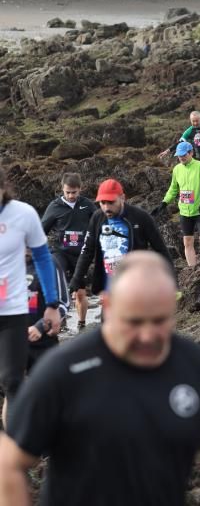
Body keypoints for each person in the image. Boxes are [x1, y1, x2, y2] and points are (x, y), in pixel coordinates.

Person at [0, 251, 200, 506]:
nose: (147, 335)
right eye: (134, 322)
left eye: (159, 320)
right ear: (107, 304)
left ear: (173, 305)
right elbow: (10, 464)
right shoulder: (63, 371)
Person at [0, 167, 61, 428]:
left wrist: (52, 304)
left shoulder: (24, 214)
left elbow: (43, 258)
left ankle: (15, 452)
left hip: (13, 311)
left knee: (12, 381)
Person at [69, 178, 173, 296]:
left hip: (137, 286)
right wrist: (76, 278)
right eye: (102, 203)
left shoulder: (141, 217)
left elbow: (161, 250)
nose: (106, 207)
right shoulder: (97, 218)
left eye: (111, 202)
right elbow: (87, 250)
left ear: (122, 198)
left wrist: (171, 283)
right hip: (108, 289)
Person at [41, 172, 96, 331]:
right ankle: (60, 321)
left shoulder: (87, 205)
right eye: (68, 192)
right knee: (60, 287)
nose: (71, 195)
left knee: (80, 293)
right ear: (62, 189)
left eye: (74, 192)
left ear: (80, 189)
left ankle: (82, 324)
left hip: (81, 254)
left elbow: (99, 223)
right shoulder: (55, 206)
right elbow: (41, 230)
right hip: (61, 253)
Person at [155, 142, 200, 267]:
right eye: (179, 156)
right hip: (184, 211)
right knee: (187, 243)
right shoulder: (177, 169)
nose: (181, 158)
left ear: (191, 153)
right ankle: (193, 270)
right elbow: (173, 189)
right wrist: (164, 203)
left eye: (183, 155)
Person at [26, 252, 69, 371]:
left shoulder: (48, 262)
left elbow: (63, 303)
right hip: (11, 340)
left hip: (41, 341)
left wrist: (40, 326)